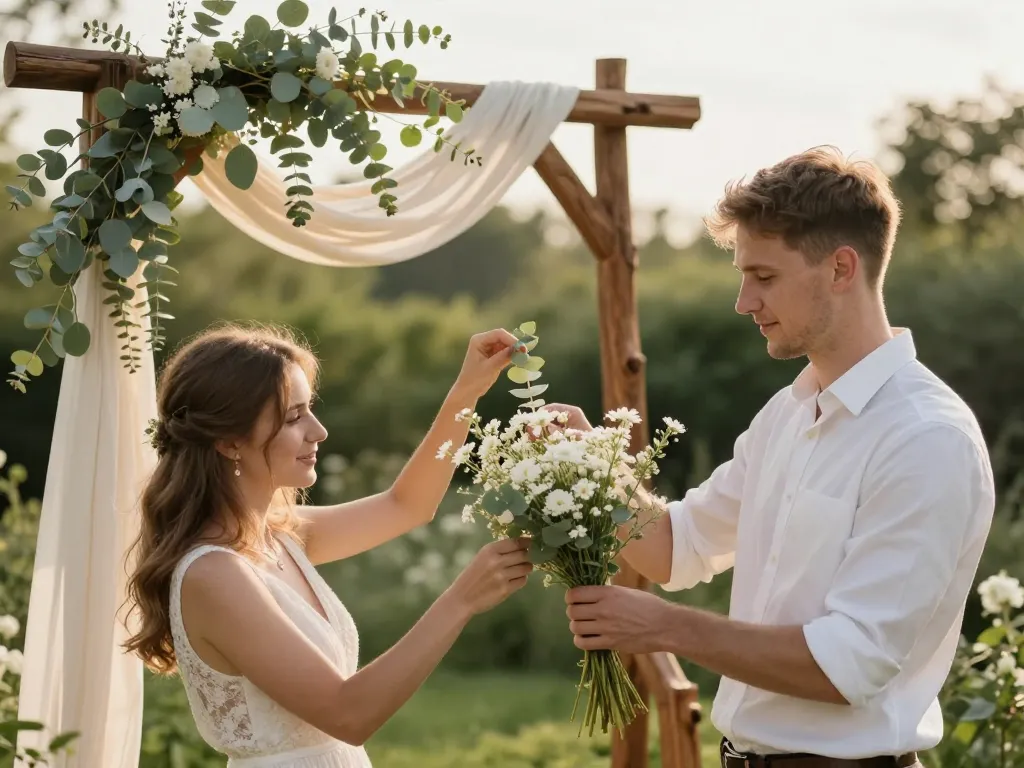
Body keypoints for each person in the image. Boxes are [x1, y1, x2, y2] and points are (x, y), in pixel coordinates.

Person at [553, 146, 995, 767]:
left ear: (841, 268)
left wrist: (663, 626)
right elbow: (675, 546)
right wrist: (586, 465)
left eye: (764, 277)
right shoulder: (786, 414)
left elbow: (850, 665)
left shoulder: (927, 439)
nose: (743, 301)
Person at [123, 322, 533, 768]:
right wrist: (462, 600)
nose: (318, 431)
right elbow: (348, 713)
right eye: (294, 417)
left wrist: (468, 390)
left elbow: (407, 505)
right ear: (229, 442)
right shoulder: (213, 574)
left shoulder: (278, 536)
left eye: (309, 410)